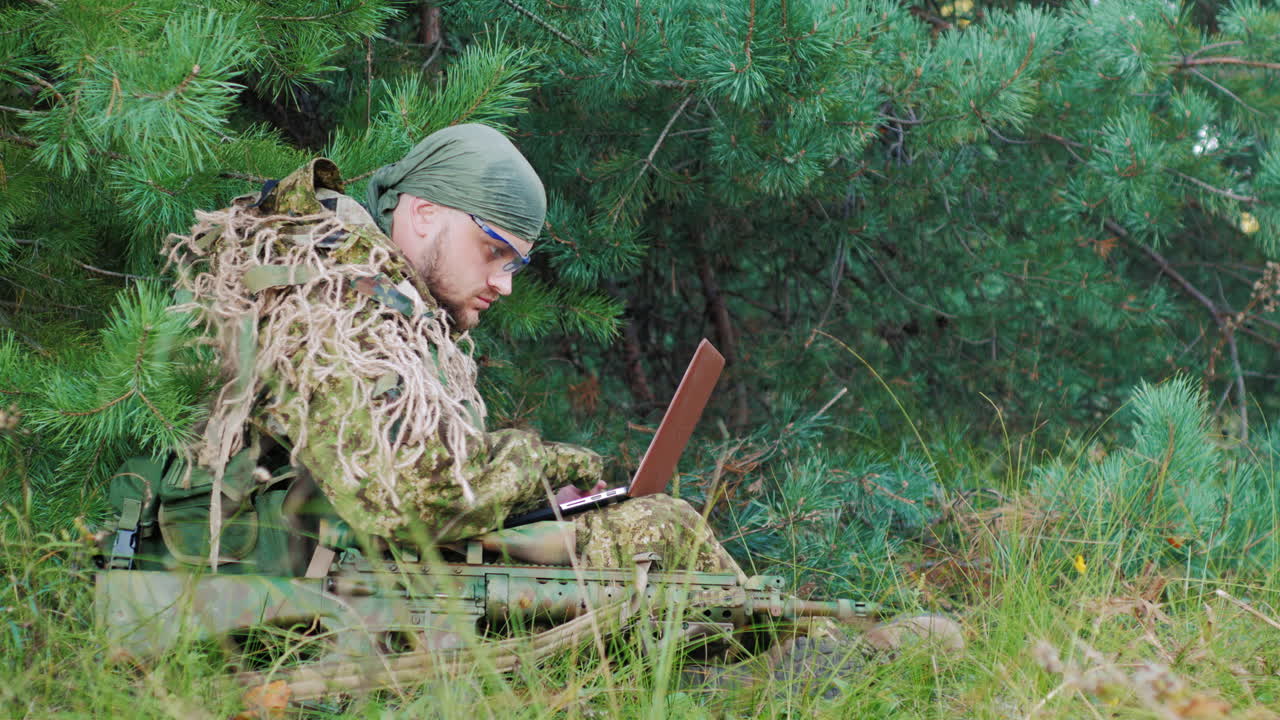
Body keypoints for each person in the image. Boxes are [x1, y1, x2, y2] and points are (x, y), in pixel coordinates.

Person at [168, 123, 740, 576]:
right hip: (268, 581)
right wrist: (552, 467)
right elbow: (411, 494)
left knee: (643, 528)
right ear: (423, 213)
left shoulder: (377, 294)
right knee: (658, 531)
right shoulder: (327, 287)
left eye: (516, 264)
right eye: (493, 250)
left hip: (336, 559)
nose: (505, 283)